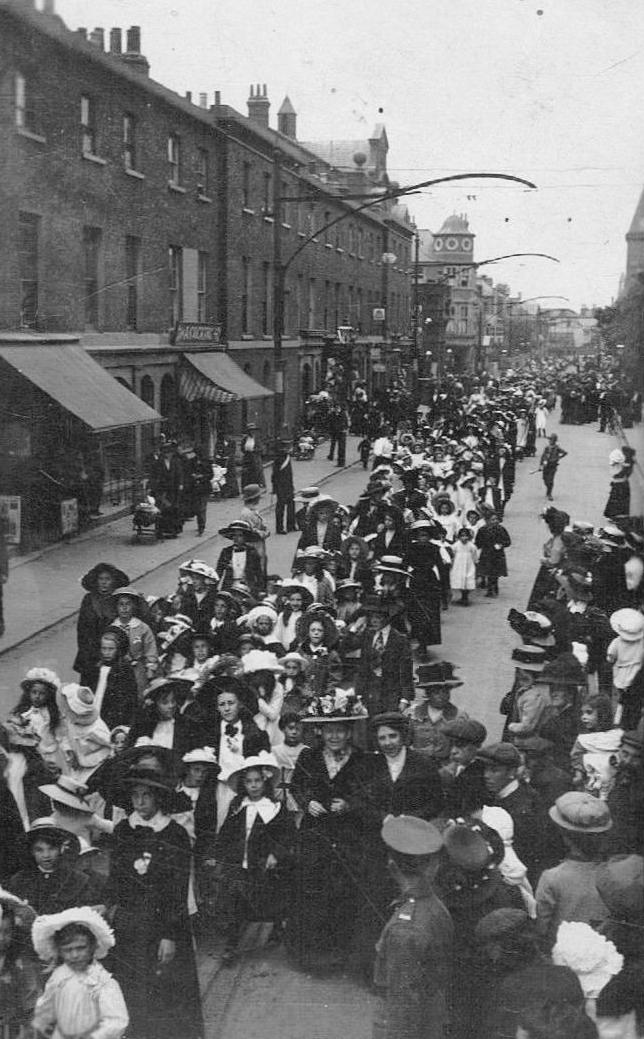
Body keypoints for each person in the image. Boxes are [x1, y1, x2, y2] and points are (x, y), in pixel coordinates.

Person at [103, 761, 203, 1039]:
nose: (140, 801)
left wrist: (170, 935)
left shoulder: (175, 833)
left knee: (167, 989)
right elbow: (115, 876)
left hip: (164, 923)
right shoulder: (124, 830)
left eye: (146, 795)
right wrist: (109, 905)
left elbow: (177, 888)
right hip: (130, 923)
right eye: (135, 795)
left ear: (158, 797)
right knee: (133, 986)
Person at [288, 706, 372, 970]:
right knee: (311, 888)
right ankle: (310, 955)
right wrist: (307, 801)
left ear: (349, 732)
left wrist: (350, 804)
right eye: (329, 731)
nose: (334, 736)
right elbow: (296, 785)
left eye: (340, 731)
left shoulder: (361, 759)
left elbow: (370, 792)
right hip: (315, 832)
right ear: (320, 732)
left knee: (343, 889)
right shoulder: (309, 756)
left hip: (347, 834)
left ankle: (339, 954)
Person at [372, 816, 453, 1039]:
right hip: (432, 1017)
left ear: (391, 865)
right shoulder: (435, 905)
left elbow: (403, 1006)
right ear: (433, 867)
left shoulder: (404, 930)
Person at [209, 752, 294, 963]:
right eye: (249, 782)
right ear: (243, 784)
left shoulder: (274, 807)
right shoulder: (238, 806)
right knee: (234, 900)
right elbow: (226, 833)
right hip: (238, 863)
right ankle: (231, 944)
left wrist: (276, 853)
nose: (254, 786)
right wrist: (217, 854)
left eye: (257, 781)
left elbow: (288, 834)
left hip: (262, 863)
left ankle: (276, 929)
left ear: (264, 782)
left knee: (266, 900)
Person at [31, 907, 128, 1039]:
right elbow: (45, 1007)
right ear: (59, 951)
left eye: (81, 948)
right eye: (68, 950)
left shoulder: (102, 981)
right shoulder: (59, 976)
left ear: (93, 946)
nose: (75, 955)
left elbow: (117, 1021)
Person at [535, 792, 612, 947]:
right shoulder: (616, 875)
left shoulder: (551, 878)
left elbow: (541, 930)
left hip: (562, 961)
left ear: (565, 837)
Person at [8, 819, 98, 915]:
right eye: (39, 850)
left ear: (61, 849)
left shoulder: (78, 879)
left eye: (51, 849)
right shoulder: (19, 880)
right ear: (32, 852)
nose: (46, 855)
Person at [354, 595, 413, 715]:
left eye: (378, 617)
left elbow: (406, 670)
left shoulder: (399, 639)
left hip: (392, 693)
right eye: (371, 617)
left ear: (387, 618)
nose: (373, 621)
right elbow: (362, 667)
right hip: (370, 692)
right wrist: (358, 695)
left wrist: (405, 698)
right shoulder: (368, 635)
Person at [73, 563, 129, 686]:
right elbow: (81, 630)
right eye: (101, 579)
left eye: (107, 579)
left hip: (112, 653)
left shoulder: (119, 601)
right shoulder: (89, 599)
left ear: (114, 582)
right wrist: (88, 652)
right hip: (90, 654)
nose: (104, 582)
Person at [0, 889, 39, 1039]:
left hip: (13, 1029)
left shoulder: (21, 963)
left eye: (7, 932)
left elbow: (31, 1003)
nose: (2, 938)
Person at [149, 439, 184, 537]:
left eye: (170, 453)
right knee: (162, 510)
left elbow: (180, 474)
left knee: (173, 509)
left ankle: (173, 530)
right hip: (162, 490)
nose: (169, 455)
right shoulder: (158, 463)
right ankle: (160, 530)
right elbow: (154, 476)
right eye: (167, 453)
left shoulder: (176, 461)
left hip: (173, 489)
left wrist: (181, 484)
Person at [475, 511, 511, 597]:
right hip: (486, 554)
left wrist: (501, 545)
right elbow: (478, 542)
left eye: (496, 519)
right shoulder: (482, 530)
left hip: (497, 554)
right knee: (488, 572)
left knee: (496, 572)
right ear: (487, 521)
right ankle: (490, 589)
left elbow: (508, 541)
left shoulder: (501, 529)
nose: (495, 521)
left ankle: (494, 588)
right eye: (492, 520)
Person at [271, 439, 296, 534]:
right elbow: (274, 475)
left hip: (289, 485)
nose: (287, 449)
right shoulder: (278, 460)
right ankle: (279, 527)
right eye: (285, 447)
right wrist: (274, 488)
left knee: (291, 505)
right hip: (280, 486)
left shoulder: (287, 457)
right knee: (280, 507)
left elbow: (290, 473)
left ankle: (291, 525)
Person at [539, 433, 568, 501]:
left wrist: (558, 458)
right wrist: (541, 465)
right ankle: (548, 489)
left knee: (550, 480)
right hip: (546, 466)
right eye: (550, 440)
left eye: (551, 440)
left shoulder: (557, 448)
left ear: (554, 441)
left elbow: (565, 453)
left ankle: (549, 494)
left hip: (553, 466)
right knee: (545, 479)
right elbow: (543, 456)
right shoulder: (547, 448)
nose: (550, 441)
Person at [240, 423, 265, 488]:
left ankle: (257, 487)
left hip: (255, 458)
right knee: (246, 473)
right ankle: (246, 487)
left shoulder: (257, 439)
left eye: (253, 430)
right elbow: (242, 448)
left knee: (256, 473)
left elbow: (261, 448)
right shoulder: (245, 438)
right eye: (250, 430)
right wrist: (246, 451)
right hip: (247, 458)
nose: (252, 432)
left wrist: (254, 450)